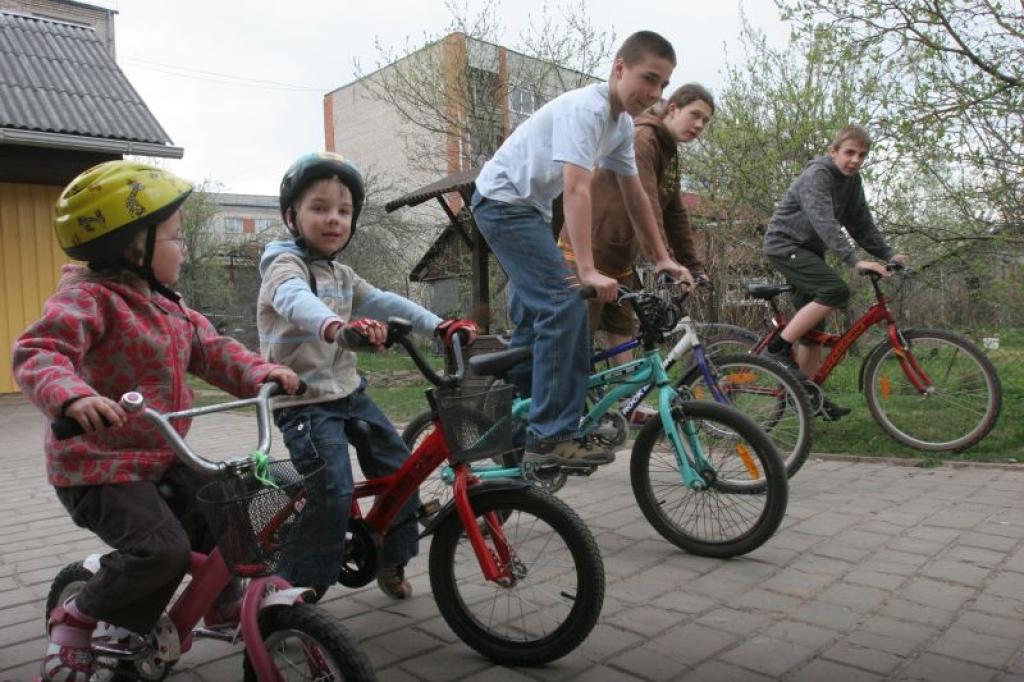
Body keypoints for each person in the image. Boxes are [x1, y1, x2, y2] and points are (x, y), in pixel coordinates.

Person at [11, 161, 301, 682]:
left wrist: (264, 372)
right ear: (132, 248)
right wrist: (72, 398)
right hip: (98, 467)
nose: (183, 248)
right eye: (174, 236)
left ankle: (222, 603)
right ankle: (75, 619)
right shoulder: (88, 300)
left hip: (162, 457)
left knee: (230, 505)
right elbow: (40, 351)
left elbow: (214, 351)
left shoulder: (170, 308)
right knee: (161, 551)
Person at [258, 152, 478, 600]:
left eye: (343, 211)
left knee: (402, 471)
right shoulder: (283, 267)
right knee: (333, 488)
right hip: (303, 401)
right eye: (319, 208)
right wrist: (338, 328)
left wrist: (438, 324)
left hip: (348, 393)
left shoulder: (341, 272)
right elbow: (296, 301)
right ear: (291, 216)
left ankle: (389, 557)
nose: (333, 219)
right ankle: (297, 586)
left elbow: (385, 302)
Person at [472, 30, 691, 467]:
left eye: (663, 86)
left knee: (537, 324)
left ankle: (511, 429)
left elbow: (636, 197)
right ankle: (552, 435)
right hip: (500, 203)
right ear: (619, 68)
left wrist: (663, 257)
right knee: (565, 305)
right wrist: (586, 270)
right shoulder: (587, 110)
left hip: (527, 210)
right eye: (648, 79)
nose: (654, 94)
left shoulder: (621, 126)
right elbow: (576, 189)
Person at [560, 83, 714, 422]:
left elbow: (674, 211)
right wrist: (663, 259)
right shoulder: (643, 139)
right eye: (695, 115)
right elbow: (644, 201)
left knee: (621, 334)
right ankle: (562, 420)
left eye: (706, 121)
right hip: (586, 253)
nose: (700, 125)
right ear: (672, 108)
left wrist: (692, 264)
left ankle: (626, 407)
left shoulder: (669, 152)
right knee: (575, 342)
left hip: (618, 258)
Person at [761, 125, 909, 419]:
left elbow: (861, 224)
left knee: (813, 333)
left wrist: (889, 254)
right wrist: (854, 260)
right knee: (836, 290)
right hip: (784, 245)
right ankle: (777, 349)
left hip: (809, 251)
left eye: (861, 155)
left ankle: (805, 397)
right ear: (834, 152)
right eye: (849, 152)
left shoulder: (852, 182)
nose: (855, 160)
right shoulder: (818, 175)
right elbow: (823, 221)